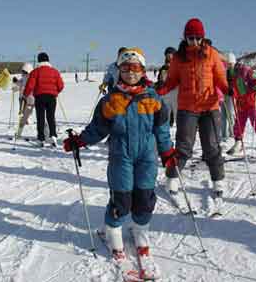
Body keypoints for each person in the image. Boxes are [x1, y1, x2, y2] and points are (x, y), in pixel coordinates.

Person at [63, 48, 174, 278]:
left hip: (146, 157)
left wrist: (167, 153)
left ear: (143, 70)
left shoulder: (154, 99)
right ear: (119, 70)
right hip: (120, 156)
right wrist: (79, 141)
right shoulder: (111, 100)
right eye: (125, 68)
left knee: (144, 200)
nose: (130, 73)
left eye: (135, 68)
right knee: (121, 201)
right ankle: (115, 244)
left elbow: (162, 130)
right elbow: (97, 129)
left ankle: (141, 240)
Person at [156, 18, 229, 202]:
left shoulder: (211, 54)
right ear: (185, 38)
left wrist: (227, 89)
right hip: (187, 108)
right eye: (190, 38)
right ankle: (172, 177)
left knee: (212, 146)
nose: (194, 42)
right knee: (183, 147)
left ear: (202, 37)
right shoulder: (179, 58)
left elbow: (220, 77)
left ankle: (218, 180)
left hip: (210, 107)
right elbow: (172, 80)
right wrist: (161, 89)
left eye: (197, 38)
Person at [226, 63, 256, 155]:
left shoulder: (246, 70)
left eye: (230, 64)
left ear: (234, 63)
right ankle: (238, 144)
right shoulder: (229, 75)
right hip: (241, 104)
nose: (229, 66)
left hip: (253, 102)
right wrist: (230, 91)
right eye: (228, 65)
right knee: (238, 124)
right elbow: (231, 88)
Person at [23, 52, 64, 147]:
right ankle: (53, 135)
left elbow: (30, 86)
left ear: (39, 61)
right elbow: (61, 86)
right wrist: (55, 92)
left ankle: (41, 138)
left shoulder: (35, 72)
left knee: (40, 118)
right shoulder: (55, 71)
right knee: (51, 117)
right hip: (51, 97)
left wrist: (25, 94)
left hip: (40, 97)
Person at [156, 47, 177, 127]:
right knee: (166, 111)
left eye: (171, 54)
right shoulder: (163, 68)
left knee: (177, 112)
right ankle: (167, 124)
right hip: (165, 92)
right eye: (167, 54)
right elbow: (160, 79)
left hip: (176, 92)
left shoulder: (178, 65)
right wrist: (159, 84)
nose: (169, 56)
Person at [15, 63, 34, 138]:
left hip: (32, 98)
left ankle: (46, 134)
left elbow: (26, 87)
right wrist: (16, 82)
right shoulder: (23, 78)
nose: (22, 73)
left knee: (27, 113)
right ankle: (19, 133)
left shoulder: (31, 77)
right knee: (24, 114)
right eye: (22, 71)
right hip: (26, 98)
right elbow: (19, 84)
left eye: (24, 71)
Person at [220, 52, 235, 141]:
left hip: (231, 96)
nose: (229, 65)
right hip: (224, 94)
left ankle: (232, 132)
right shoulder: (224, 71)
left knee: (230, 114)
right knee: (223, 115)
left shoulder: (235, 72)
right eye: (228, 63)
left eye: (231, 63)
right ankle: (223, 133)